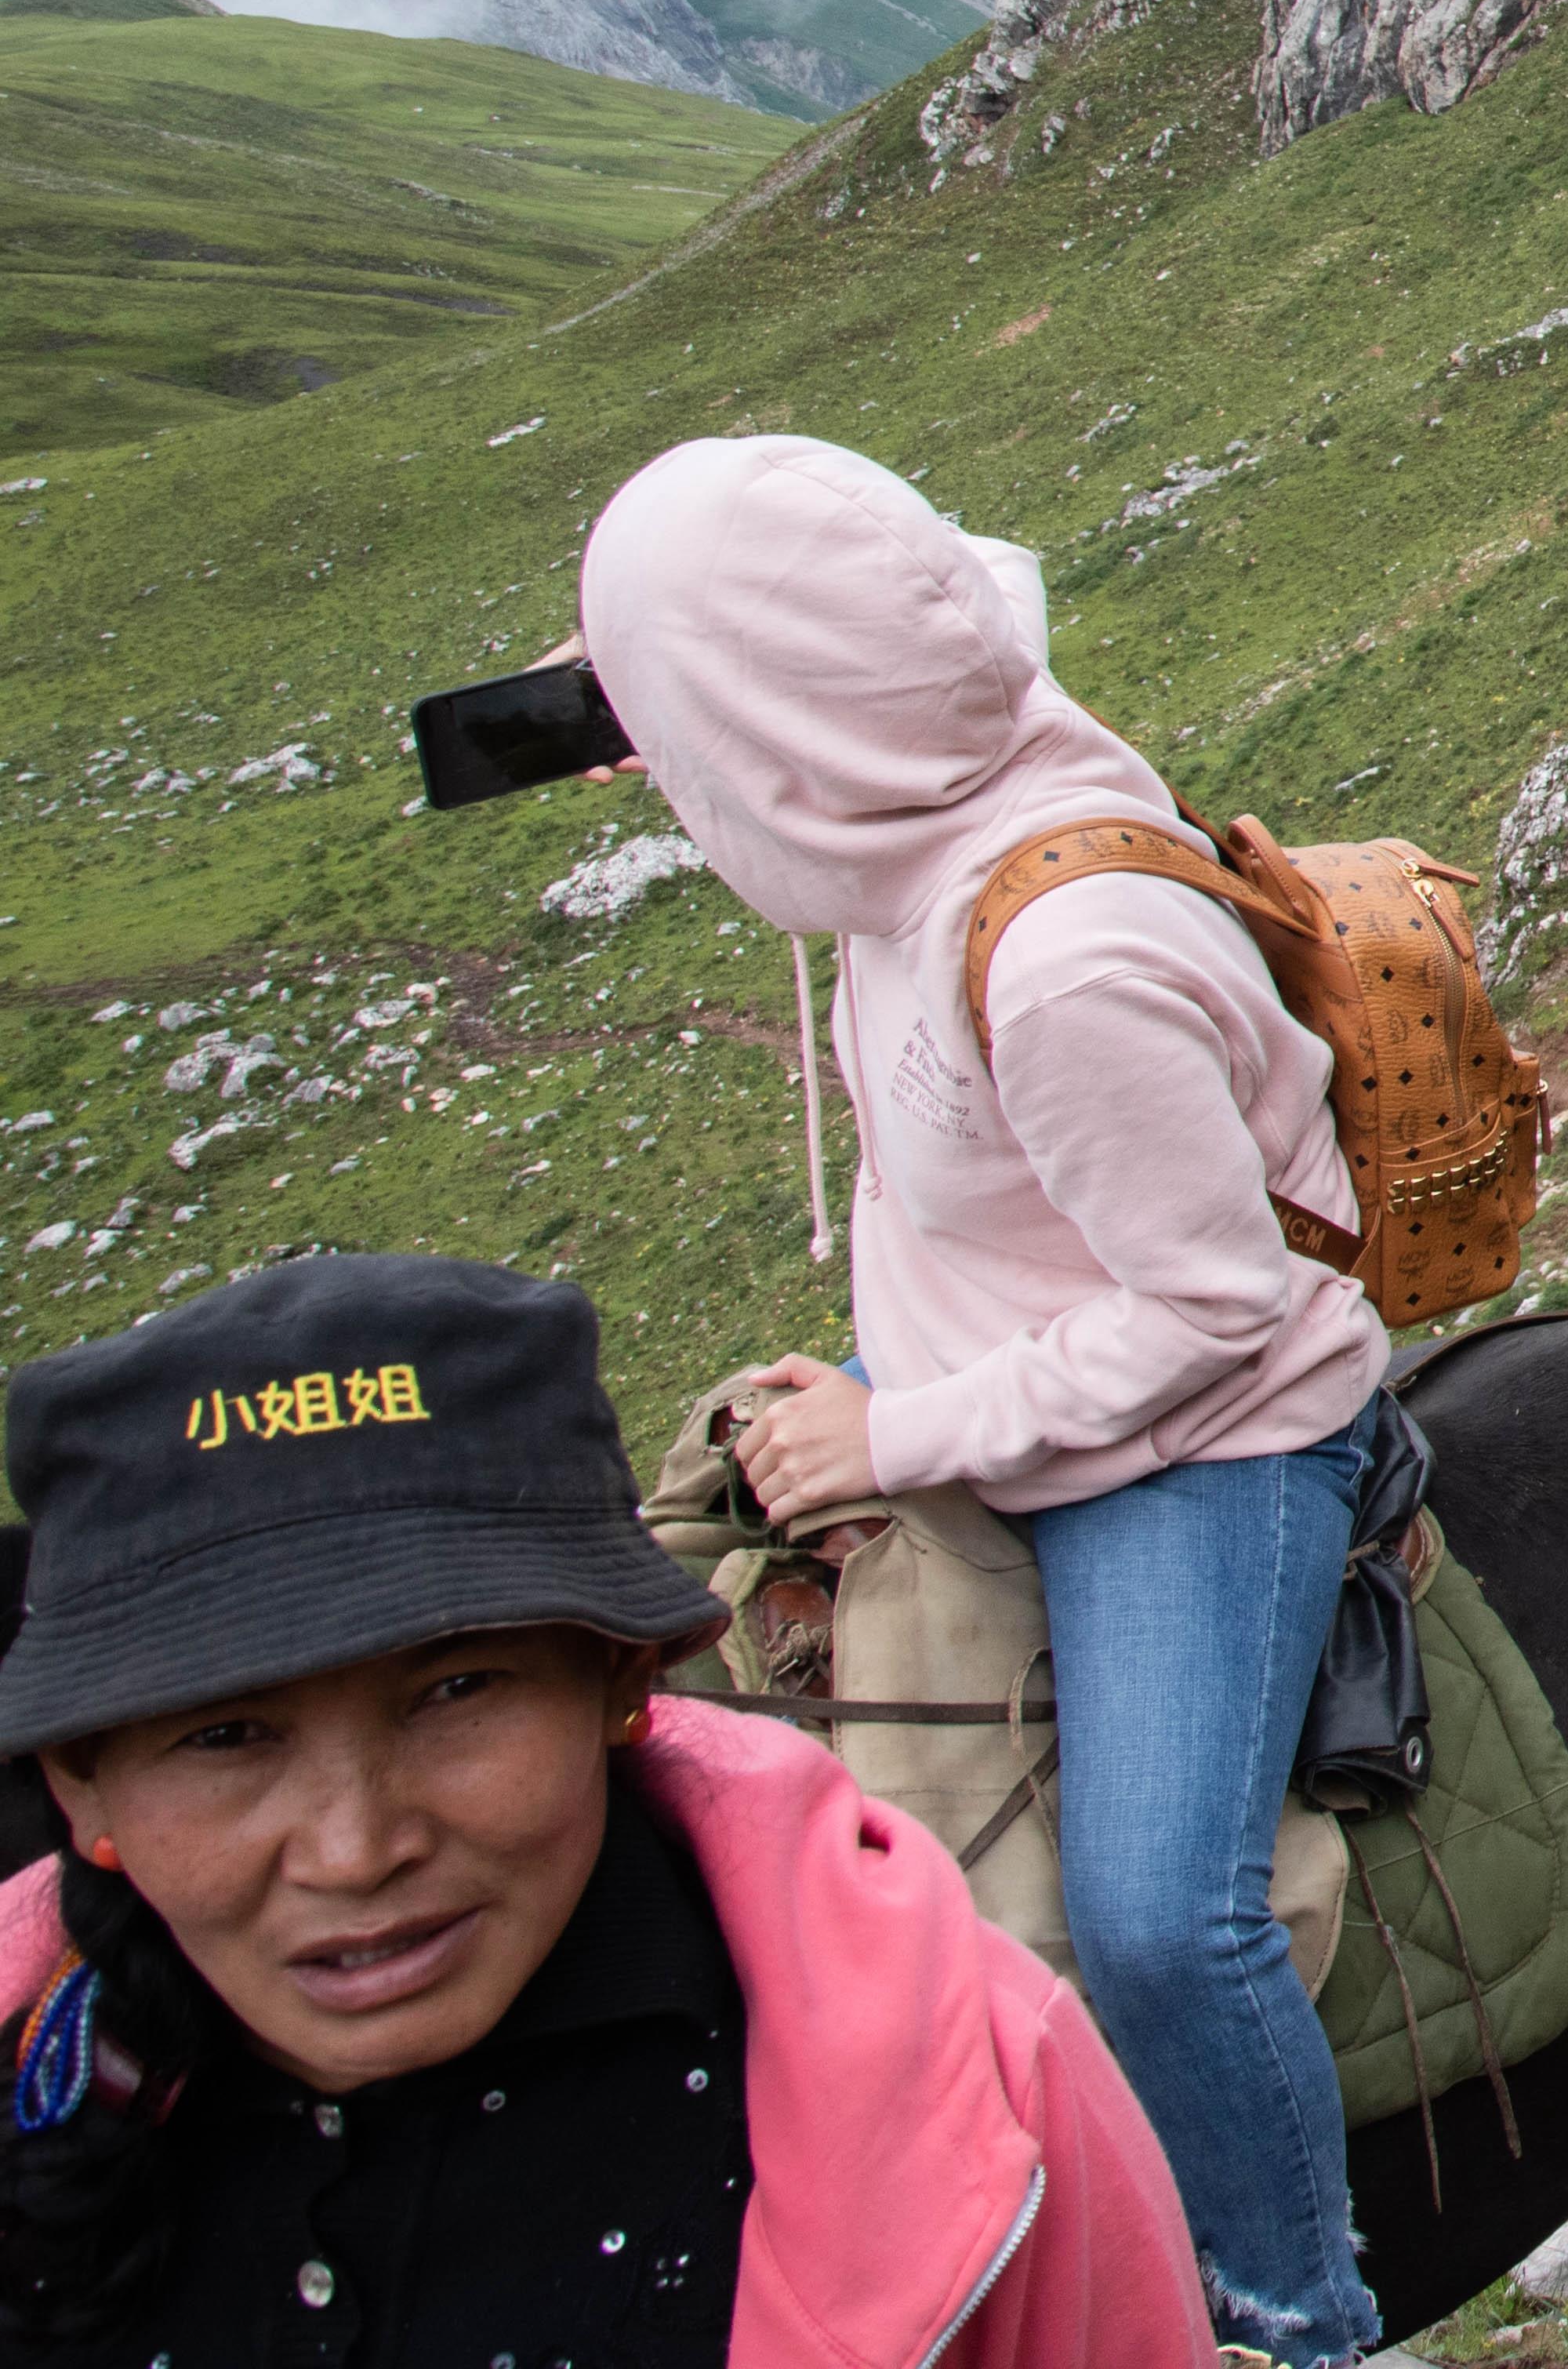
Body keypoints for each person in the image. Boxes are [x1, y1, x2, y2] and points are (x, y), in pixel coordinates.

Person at [578, 431, 1388, 2362]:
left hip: (1200, 1427)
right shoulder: (932, 743)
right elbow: (848, 619)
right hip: (982, 1340)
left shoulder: (1073, 959)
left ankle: (1295, 2310)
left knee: (1158, 1914)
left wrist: (893, 1433)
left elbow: (1213, 1306)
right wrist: (680, 689)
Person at [0, 1253, 1216, 2367]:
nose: (354, 1851)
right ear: (79, 1785)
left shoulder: (989, 2073)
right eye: (224, 1737)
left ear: (624, 1685)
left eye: (456, 1691)